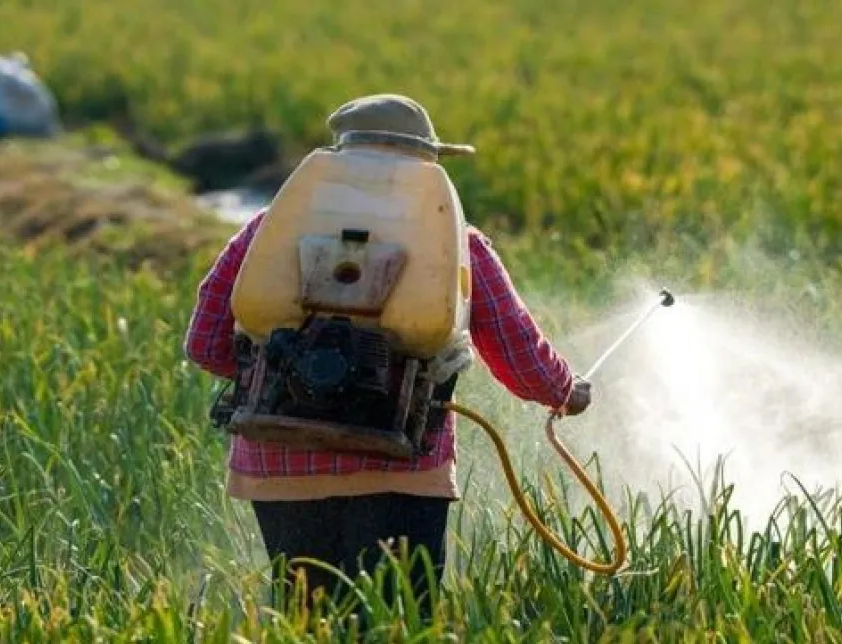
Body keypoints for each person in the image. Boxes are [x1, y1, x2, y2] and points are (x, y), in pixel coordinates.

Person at [183, 93, 591, 622]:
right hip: (400, 465)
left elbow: (204, 344)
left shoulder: (268, 231)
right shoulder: (459, 246)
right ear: (426, 165)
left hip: (277, 465)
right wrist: (566, 391)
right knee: (400, 624)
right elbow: (520, 353)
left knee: (308, 623)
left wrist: (287, 370)